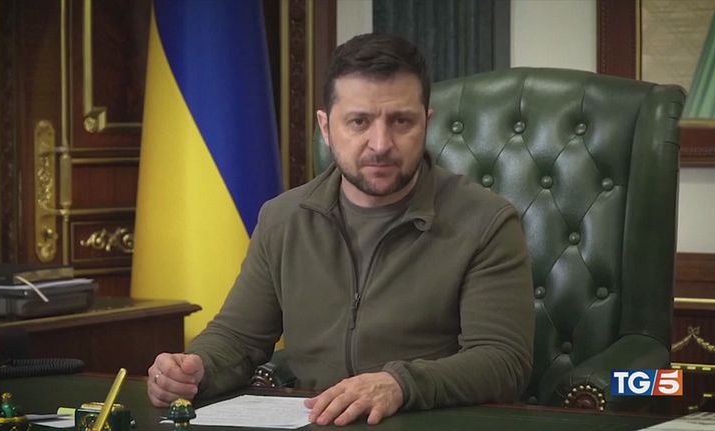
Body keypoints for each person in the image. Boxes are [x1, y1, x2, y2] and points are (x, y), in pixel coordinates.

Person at [147, 33, 534, 426]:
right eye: (359, 122)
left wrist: (400, 385)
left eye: (401, 121)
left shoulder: (486, 221)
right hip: (315, 420)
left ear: (426, 123)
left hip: (430, 420)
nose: (380, 144)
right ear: (326, 127)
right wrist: (195, 368)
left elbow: (503, 363)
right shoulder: (284, 218)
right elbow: (237, 338)